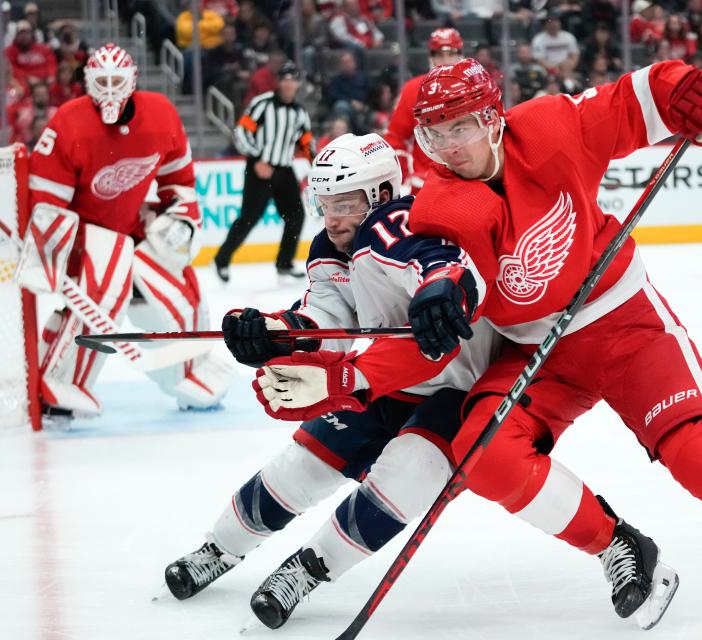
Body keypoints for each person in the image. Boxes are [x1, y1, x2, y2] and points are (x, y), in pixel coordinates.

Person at [251, 59, 702, 631]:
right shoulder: (442, 205)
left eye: (461, 128)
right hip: (535, 352)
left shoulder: (553, 126)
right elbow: (449, 293)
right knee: (484, 453)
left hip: (622, 324)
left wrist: (684, 90)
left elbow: (635, 98)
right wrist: (434, 299)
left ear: (494, 120)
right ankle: (621, 547)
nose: (450, 148)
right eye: (436, 134)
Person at [164, 133, 501, 629]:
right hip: (385, 379)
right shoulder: (332, 245)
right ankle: (220, 547)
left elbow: (441, 268)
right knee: (298, 467)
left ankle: (307, 570)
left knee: (404, 477)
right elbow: (326, 319)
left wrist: (440, 288)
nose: (334, 218)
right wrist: (274, 333)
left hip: (459, 390)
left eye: (345, 203)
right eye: (325, 204)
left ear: (383, 195)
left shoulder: (414, 222)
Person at [25, 43, 232, 418]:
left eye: (115, 80)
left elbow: (179, 181)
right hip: (86, 233)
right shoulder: (68, 123)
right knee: (103, 290)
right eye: (100, 81)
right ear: (87, 82)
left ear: (132, 80)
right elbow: (46, 199)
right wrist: (49, 248)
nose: (108, 89)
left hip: (132, 227)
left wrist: (180, 219)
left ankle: (191, 372)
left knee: (181, 291)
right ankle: (62, 380)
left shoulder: (161, 115)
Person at [214, 62, 313, 282]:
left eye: (293, 79)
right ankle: (222, 259)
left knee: (296, 216)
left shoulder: (300, 112)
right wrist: (257, 158)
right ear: (279, 81)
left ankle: (284, 263)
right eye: (285, 78)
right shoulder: (263, 104)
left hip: (284, 169)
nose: (289, 83)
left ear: (298, 83)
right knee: (249, 218)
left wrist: (317, 162)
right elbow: (241, 132)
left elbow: (306, 142)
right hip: (260, 168)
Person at [383, 27, 463, 194]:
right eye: (439, 54)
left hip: (468, 179)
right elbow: (395, 137)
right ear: (431, 57)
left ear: (460, 55)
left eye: (451, 53)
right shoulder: (412, 89)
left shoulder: (475, 86)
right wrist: (403, 177)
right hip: (425, 184)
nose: (445, 60)